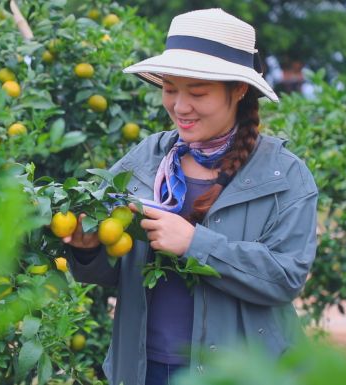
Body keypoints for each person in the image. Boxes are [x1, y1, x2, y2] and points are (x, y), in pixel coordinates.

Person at [64, 8, 318, 385]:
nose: (180, 107)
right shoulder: (147, 159)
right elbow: (117, 271)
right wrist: (87, 249)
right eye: (170, 90)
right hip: (144, 367)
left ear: (239, 89)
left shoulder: (284, 175)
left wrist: (195, 244)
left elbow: (285, 277)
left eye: (197, 93)